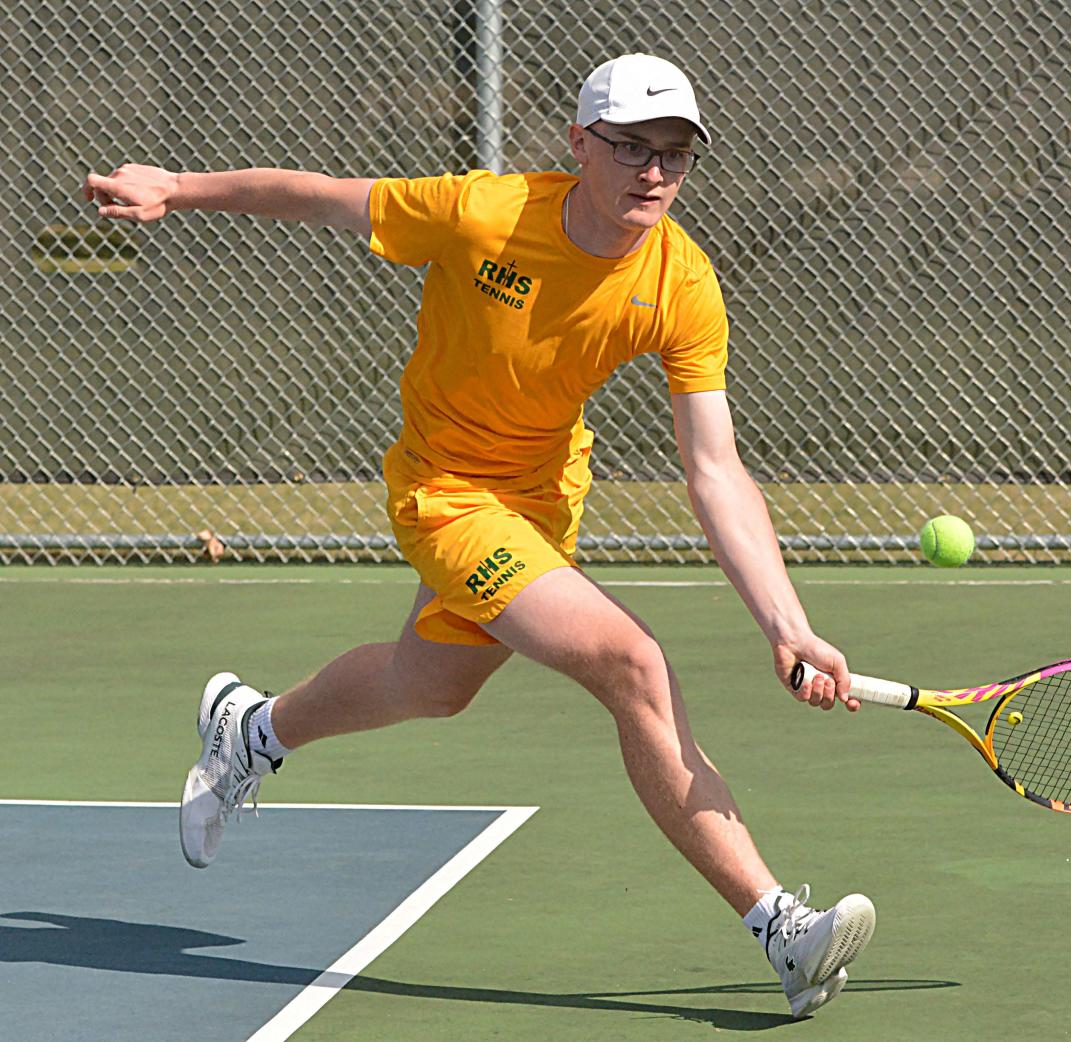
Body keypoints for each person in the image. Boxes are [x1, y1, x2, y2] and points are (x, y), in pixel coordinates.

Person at [84, 53, 875, 1019]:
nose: (654, 172)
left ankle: (251, 730)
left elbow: (714, 468)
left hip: (544, 495)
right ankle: (780, 929)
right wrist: (179, 187)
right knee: (632, 664)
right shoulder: (481, 213)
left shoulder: (683, 283)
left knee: (432, 685)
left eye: (676, 153)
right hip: (445, 493)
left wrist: (786, 623)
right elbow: (321, 197)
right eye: (630, 146)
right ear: (579, 145)